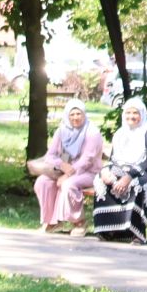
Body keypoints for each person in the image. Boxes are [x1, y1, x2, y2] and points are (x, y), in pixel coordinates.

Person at [91, 97, 147, 244]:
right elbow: (114, 159)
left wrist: (129, 176)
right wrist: (105, 171)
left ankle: (135, 233)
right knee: (100, 181)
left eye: (135, 113)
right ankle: (109, 231)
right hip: (125, 171)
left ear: (142, 114)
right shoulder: (121, 133)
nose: (131, 116)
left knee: (137, 184)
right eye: (128, 113)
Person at [28, 100, 103, 235]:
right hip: (65, 170)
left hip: (89, 172)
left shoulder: (92, 133)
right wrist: (62, 165)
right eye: (72, 114)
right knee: (42, 182)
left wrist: (67, 174)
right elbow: (50, 155)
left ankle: (79, 222)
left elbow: (87, 160)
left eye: (78, 114)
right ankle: (52, 222)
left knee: (68, 184)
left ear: (84, 114)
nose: (75, 117)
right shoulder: (63, 131)